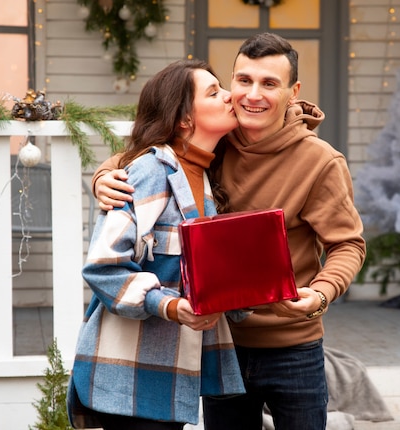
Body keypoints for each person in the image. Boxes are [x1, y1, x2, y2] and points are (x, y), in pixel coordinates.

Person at [91, 33, 366, 430]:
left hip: (292, 345)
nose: (252, 95)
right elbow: (149, 153)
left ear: (294, 91)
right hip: (222, 342)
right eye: (243, 80)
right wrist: (104, 174)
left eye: (269, 83)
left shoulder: (321, 162)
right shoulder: (215, 136)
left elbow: (347, 245)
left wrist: (321, 294)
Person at [66, 59, 245, 430]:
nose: (231, 96)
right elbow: (104, 265)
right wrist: (172, 305)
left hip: (171, 372)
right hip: (131, 374)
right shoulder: (151, 172)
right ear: (184, 120)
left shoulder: (204, 178)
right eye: (214, 92)